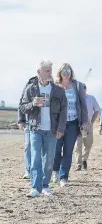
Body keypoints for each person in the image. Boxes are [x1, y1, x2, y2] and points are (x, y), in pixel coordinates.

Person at [19, 59, 67, 197]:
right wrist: (33, 103)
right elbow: (22, 107)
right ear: (39, 72)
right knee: (35, 159)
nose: (50, 73)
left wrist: (61, 128)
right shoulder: (31, 89)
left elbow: (63, 112)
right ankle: (35, 187)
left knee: (49, 159)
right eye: (47, 70)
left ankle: (45, 186)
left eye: (51, 70)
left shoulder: (58, 90)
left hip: (51, 130)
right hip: (35, 128)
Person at [53, 63, 88, 187]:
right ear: (60, 72)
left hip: (73, 123)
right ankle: (55, 171)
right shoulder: (55, 86)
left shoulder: (77, 86)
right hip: (58, 125)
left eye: (68, 70)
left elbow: (83, 105)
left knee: (68, 151)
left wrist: (84, 122)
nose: (66, 72)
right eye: (64, 70)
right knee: (56, 150)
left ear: (71, 72)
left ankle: (64, 177)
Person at [75, 84, 101, 171]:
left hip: (88, 124)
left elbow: (97, 110)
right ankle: (78, 164)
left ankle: (84, 159)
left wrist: (92, 122)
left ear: (86, 89)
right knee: (78, 145)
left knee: (88, 144)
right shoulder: (75, 98)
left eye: (83, 88)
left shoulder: (91, 98)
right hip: (77, 124)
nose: (82, 90)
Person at [18, 76, 39, 179]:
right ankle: (28, 170)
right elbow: (21, 103)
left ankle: (39, 170)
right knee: (28, 146)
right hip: (29, 121)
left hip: (44, 123)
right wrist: (20, 120)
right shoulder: (30, 82)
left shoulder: (50, 83)